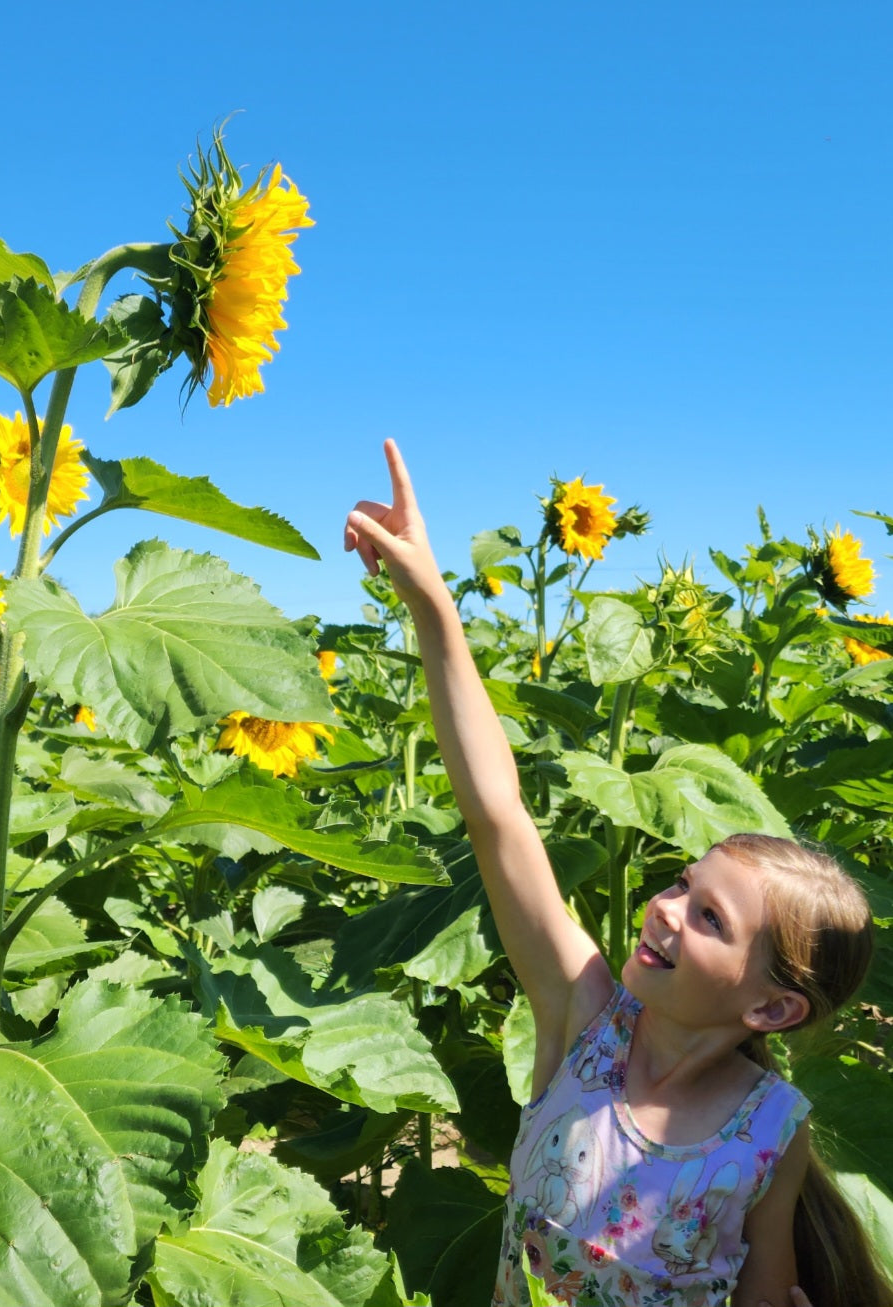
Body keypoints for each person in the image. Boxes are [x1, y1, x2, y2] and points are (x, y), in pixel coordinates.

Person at [345, 440, 892, 1307]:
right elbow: (499, 818)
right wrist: (434, 606)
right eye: (681, 883)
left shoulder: (768, 1132)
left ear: (772, 1006)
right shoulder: (587, 1021)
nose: (668, 909)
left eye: (711, 918)